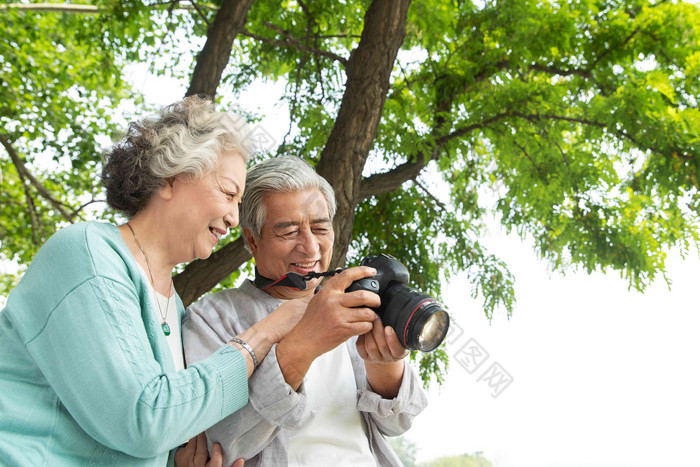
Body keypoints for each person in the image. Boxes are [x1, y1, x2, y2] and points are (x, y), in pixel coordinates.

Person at [0, 97, 306, 466]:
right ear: (171, 178)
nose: (233, 218)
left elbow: (152, 433)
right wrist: (262, 335)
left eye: (239, 203)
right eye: (228, 193)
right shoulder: (88, 256)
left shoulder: (172, 304)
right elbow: (146, 420)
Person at [182, 156, 428, 466]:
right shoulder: (212, 318)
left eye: (320, 228)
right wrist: (305, 343)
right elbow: (214, 445)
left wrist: (384, 364)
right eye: (288, 232)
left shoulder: (354, 301)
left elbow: (398, 423)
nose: (310, 248)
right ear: (252, 240)